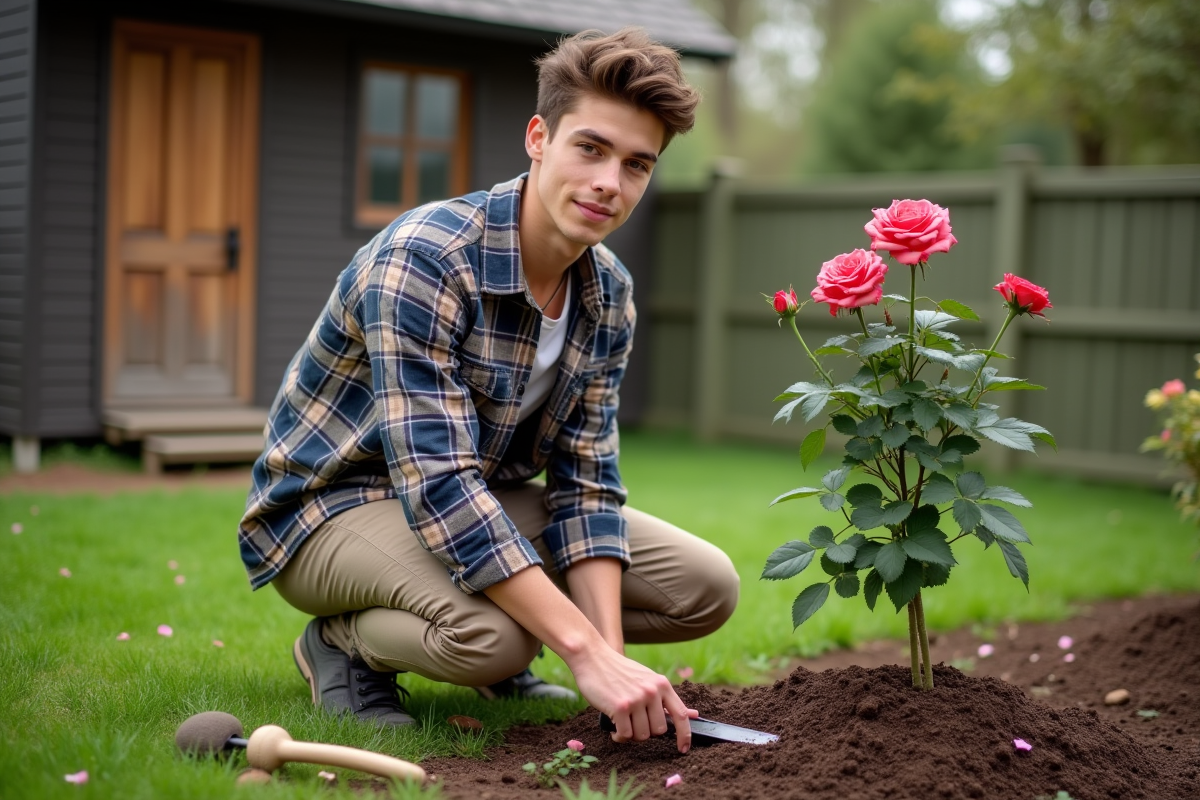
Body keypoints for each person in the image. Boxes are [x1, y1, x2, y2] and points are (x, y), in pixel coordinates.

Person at [238, 27, 739, 754]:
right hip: (328, 511)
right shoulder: (427, 259)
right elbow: (437, 483)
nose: (610, 182)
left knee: (705, 586)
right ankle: (340, 645)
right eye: (591, 148)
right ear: (539, 137)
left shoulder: (608, 297)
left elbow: (586, 487)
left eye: (637, 164)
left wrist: (610, 656)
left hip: (472, 501)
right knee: (492, 639)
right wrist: (578, 652)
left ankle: (508, 631)